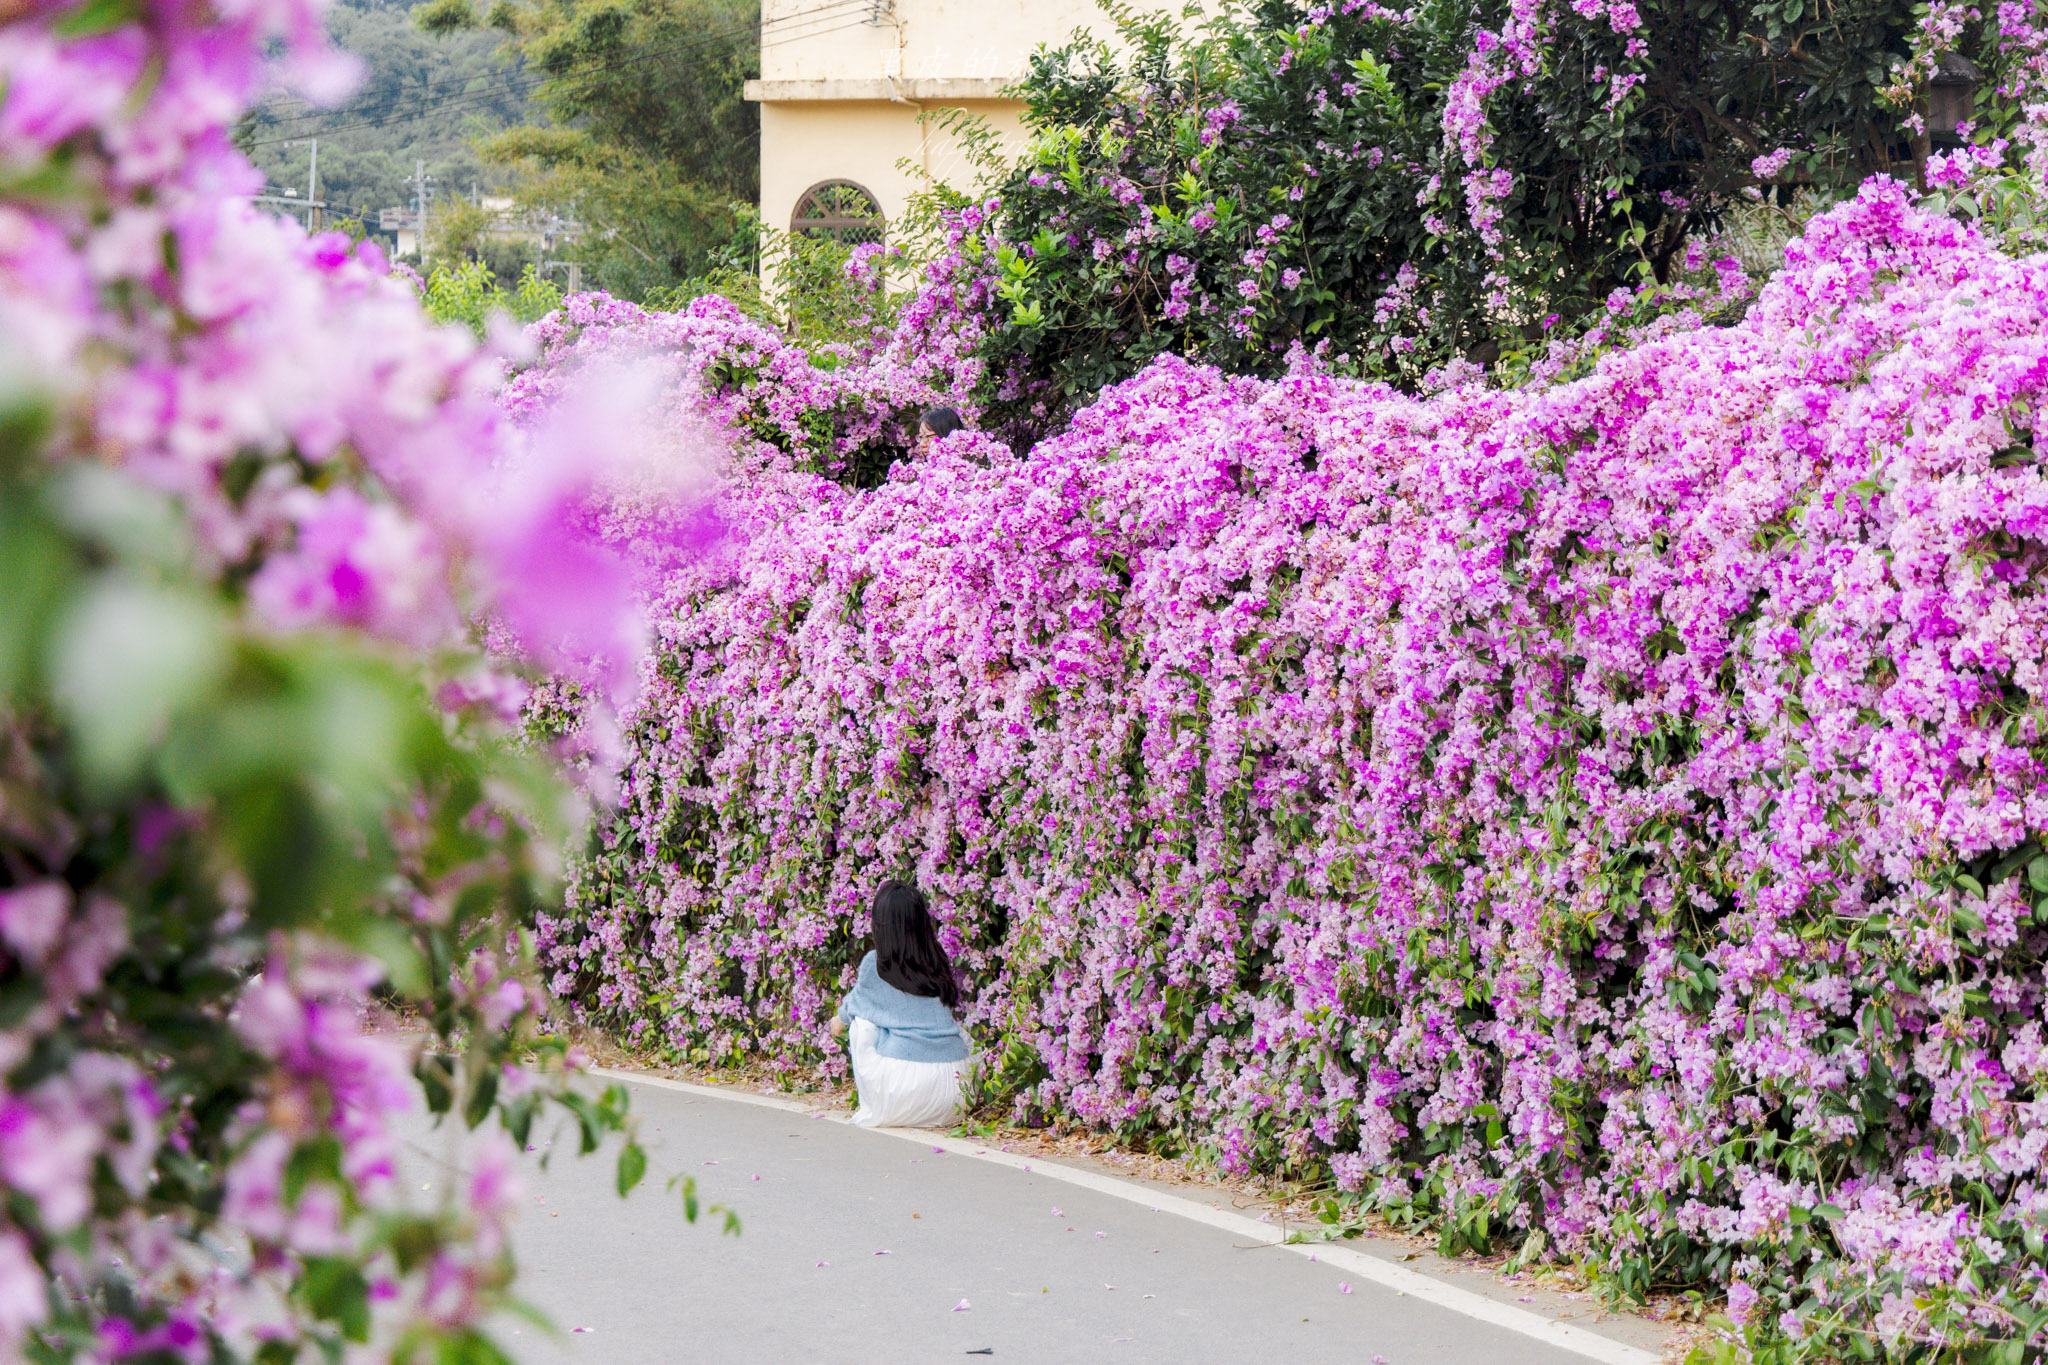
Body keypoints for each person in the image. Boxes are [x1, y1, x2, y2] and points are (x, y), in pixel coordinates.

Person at [830, 880, 973, 1128]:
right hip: (957, 1094)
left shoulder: (875, 964)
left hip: (904, 1097)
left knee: (862, 1024)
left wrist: (838, 1020)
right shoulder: (936, 958)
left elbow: (851, 1009)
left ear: (880, 925)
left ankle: (875, 1108)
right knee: (960, 1033)